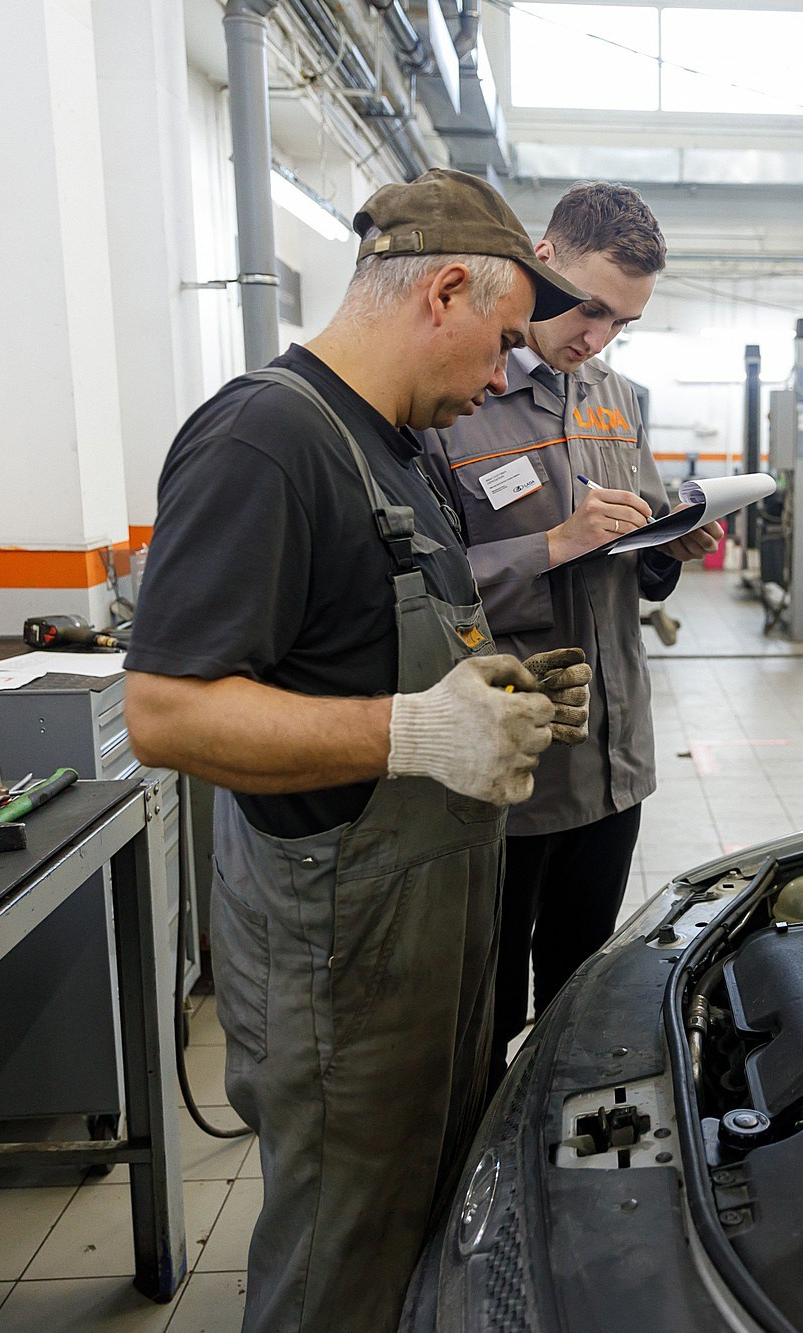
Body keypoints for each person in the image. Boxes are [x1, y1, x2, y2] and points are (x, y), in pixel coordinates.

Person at [124, 169, 594, 1333]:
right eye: (495, 345)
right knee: (339, 1260)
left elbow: (376, 645)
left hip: (429, 929)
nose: (499, 380)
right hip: (339, 952)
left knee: (421, 1225)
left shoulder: (400, 444)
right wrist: (417, 729)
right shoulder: (265, 438)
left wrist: (507, 694)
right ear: (442, 290)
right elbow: (167, 714)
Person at [421, 182, 723, 1090]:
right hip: (510, 769)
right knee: (485, 1008)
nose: (595, 337)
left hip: (613, 755)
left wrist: (677, 540)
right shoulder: (452, 396)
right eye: (589, 308)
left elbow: (635, 557)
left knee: (580, 996)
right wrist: (552, 544)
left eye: (621, 322)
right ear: (541, 262)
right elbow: (423, 589)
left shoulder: (618, 399)